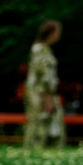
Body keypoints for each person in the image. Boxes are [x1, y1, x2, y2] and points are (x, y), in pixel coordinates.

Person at [23, 21, 67, 149]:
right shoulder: (40, 49)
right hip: (40, 93)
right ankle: (36, 149)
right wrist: (47, 97)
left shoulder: (44, 49)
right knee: (39, 122)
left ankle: (39, 149)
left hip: (40, 92)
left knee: (43, 122)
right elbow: (43, 75)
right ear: (51, 33)